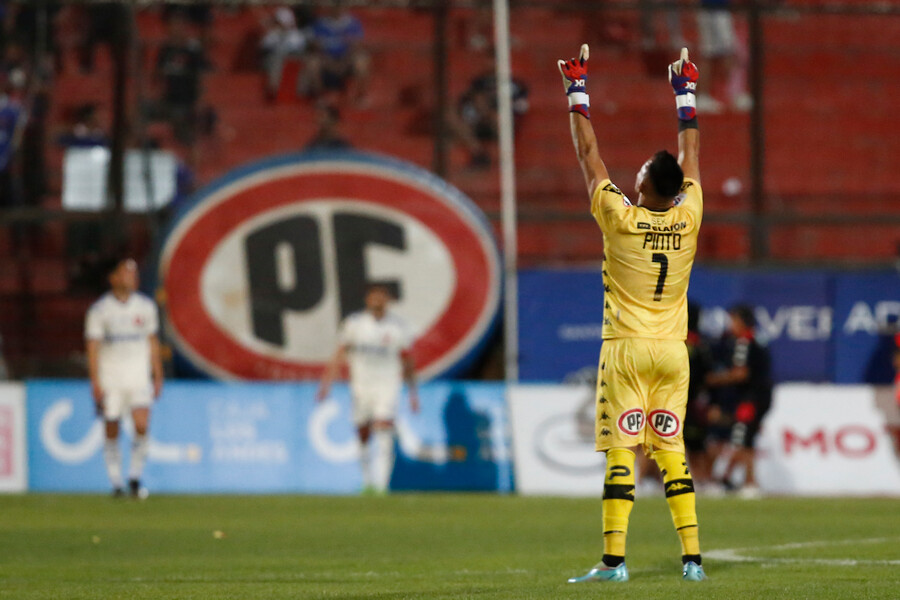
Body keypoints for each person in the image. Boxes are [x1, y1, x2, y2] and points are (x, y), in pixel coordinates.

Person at [560, 45, 707, 582]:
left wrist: (577, 90)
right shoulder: (689, 214)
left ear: (644, 185)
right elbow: (690, 160)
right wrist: (685, 93)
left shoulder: (620, 218)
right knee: (671, 449)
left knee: (621, 450)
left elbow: (588, 157)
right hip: (673, 351)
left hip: (625, 349)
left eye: (642, 169)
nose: (636, 169)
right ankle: (692, 561)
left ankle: (614, 562)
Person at [316, 284, 419, 494]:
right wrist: (326, 383)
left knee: (383, 427)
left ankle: (382, 486)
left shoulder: (398, 327)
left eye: (382, 297)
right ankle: (367, 480)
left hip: (388, 383)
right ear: (367, 300)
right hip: (361, 385)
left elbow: (407, 361)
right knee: (363, 431)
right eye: (374, 297)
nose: (378, 301)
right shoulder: (354, 324)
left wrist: (412, 392)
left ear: (388, 301)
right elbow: (339, 354)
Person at [85, 258, 163, 498]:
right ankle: (116, 481)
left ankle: (135, 478)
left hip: (138, 375)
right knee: (112, 426)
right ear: (114, 278)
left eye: (134, 273)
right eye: (126, 273)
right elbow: (92, 347)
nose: (132, 277)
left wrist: (157, 374)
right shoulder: (100, 311)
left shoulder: (146, 307)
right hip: (111, 377)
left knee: (141, 425)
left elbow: (152, 342)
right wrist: (95, 380)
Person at [707, 304, 772, 497]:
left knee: (743, 440)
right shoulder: (759, 340)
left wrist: (714, 379)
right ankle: (738, 480)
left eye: (733, 320)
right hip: (760, 397)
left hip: (750, 399)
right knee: (745, 439)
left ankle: (750, 483)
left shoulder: (744, 342)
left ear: (742, 322)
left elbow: (740, 374)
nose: (730, 325)